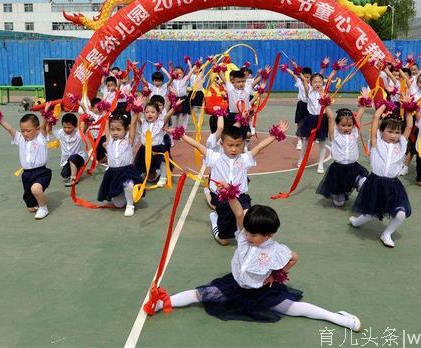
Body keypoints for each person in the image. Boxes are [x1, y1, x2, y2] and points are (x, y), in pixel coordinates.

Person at [151, 197, 361, 331]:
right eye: (248, 232)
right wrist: (230, 194)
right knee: (198, 294)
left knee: (292, 308)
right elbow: (239, 214)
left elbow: (294, 257)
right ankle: (163, 303)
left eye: (254, 234)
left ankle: (337, 318)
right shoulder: (244, 237)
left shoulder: (276, 249)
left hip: (260, 291)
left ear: (268, 234)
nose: (248, 236)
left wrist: (276, 275)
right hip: (233, 286)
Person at [179, 121, 289, 246]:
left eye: (238, 145)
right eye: (230, 145)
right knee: (224, 241)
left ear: (243, 144)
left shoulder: (245, 159)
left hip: (240, 195)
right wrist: (181, 135)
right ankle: (215, 220)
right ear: (222, 143)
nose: (234, 149)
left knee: (246, 214)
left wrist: (276, 135)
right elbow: (198, 146)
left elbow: (260, 147)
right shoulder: (215, 157)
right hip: (222, 197)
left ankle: (242, 233)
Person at [349, 103, 414, 248]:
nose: (394, 135)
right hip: (375, 183)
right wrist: (384, 104)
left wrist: (408, 107)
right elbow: (376, 117)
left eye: (397, 132)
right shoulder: (376, 141)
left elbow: (409, 126)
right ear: (381, 131)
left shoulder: (402, 144)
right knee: (370, 214)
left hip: (393, 185)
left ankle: (386, 234)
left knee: (401, 214)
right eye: (390, 131)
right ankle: (356, 221)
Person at [0, 112, 52, 220]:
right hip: (26, 174)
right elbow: (10, 129)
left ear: (36, 129)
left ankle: (43, 208)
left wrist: (46, 115)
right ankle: (38, 201)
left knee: (35, 189)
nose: (25, 133)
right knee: (30, 208)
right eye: (22, 130)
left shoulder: (41, 138)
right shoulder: (20, 139)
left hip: (41, 172)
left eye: (28, 130)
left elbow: (43, 126)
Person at [297, 60, 346, 173]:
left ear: (322, 83)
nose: (317, 84)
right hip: (310, 119)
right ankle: (301, 160)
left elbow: (330, 78)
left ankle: (320, 164)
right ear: (311, 83)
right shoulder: (308, 91)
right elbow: (303, 79)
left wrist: (336, 67)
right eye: (315, 82)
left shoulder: (324, 92)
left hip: (321, 119)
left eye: (319, 82)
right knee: (306, 141)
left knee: (322, 143)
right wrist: (297, 69)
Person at [316, 107, 368, 207]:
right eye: (343, 125)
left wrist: (363, 104)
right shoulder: (334, 134)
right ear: (337, 124)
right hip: (338, 170)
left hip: (354, 168)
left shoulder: (354, 132)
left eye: (349, 125)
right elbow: (331, 117)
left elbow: (359, 117)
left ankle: (364, 202)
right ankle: (340, 195)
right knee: (339, 203)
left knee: (364, 182)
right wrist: (325, 103)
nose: (347, 128)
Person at [96, 112, 143, 217]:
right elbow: (106, 124)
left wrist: (135, 112)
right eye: (112, 129)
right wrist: (106, 113)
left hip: (126, 171)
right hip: (113, 173)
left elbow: (133, 124)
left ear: (126, 129)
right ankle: (123, 195)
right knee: (118, 204)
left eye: (118, 129)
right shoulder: (109, 140)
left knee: (128, 184)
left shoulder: (129, 141)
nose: (115, 132)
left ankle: (130, 205)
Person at [132, 100, 180, 186]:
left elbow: (168, 115)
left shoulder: (160, 123)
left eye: (153, 112)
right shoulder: (143, 122)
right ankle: (144, 173)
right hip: (145, 148)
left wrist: (175, 105)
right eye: (147, 112)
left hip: (157, 148)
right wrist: (134, 106)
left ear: (158, 113)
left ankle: (163, 177)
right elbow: (135, 117)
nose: (149, 114)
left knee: (162, 161)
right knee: (142, 163)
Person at [51, 113, 87, 187]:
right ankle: (76, 170)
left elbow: (86, 126)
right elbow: (48, 130)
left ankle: (73, 179)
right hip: (66, 160)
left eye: (69, 127)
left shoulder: (78, 133)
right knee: (64, 174)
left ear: (75, 126)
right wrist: (49, 121)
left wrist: (88, 120)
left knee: (72, 157)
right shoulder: (60, 133)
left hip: (79, 158)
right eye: (65, 127)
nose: (66, 129)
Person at [282, 64, 313, 151]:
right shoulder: (299, 82)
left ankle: (308, 138)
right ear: (302, 76)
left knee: (309, 123)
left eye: (308, 77)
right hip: (301, 105)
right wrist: (286, 68)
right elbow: (293, 74)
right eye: (305, 77)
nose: (307, 79)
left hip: (310, 105)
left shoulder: (312, 84)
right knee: (299, 123)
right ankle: (299, 140)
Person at [168, 63, 195, 129]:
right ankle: (176, 128)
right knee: (177, 115)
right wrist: (170, 67)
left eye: (180, 73)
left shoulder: (184, 80)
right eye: (177, 73)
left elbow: (190, 73)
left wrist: (194, 66)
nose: (178, 74)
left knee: (185, 114)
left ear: (183, 74)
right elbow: (168, 82)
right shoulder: (173, 81)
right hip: (176, 99)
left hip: (184, 99)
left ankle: (183, 128)